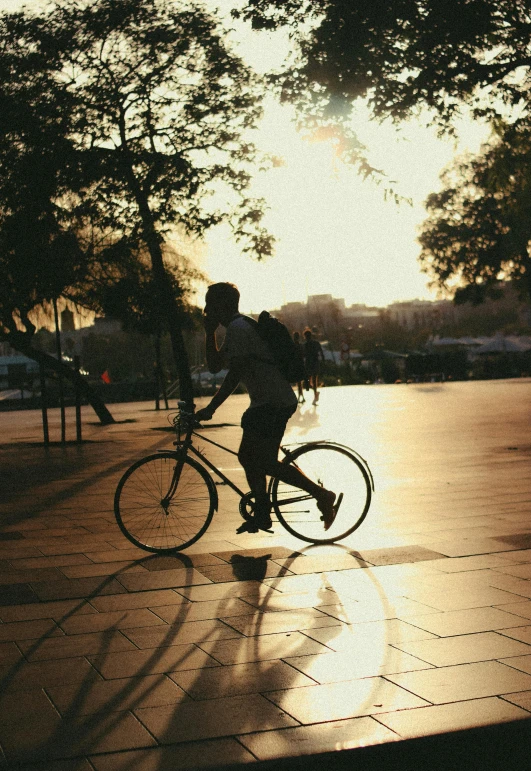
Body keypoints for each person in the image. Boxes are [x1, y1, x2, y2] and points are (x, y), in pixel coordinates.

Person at [194, 282, 342, 533]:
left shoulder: (240, 328)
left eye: (210, 303)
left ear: (222, 305)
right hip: (266, 402)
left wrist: (211, 408)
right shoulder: (236, 328)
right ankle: (263, 511)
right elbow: (215, 367)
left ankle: (321, 495)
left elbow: (234, 374)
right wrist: (210, 333)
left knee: (265, 462)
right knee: (250, 458)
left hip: (273, 402)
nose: (206, 309)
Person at [303, 328, 325, 405]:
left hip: (309, 363)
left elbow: (303, 355)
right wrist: (322, 361)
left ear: (305, 336)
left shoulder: (305, 345)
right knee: (314, 380)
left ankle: (315, 394)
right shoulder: (316, 343)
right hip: (315, 362)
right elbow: (321, 352)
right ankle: (315, 393)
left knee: (308, 381)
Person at [292, 331, 306, 404]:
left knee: (298, 381)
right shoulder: (301, 346)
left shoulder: (293, 346)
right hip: (300, 364)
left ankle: (300, 396)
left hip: (296, 364)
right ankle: (301, 395)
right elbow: (303, 355)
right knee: (300, 381)